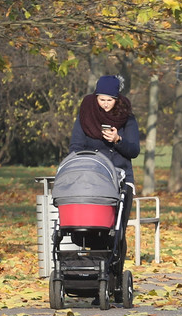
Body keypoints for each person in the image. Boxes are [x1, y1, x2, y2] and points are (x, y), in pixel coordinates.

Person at [69, 74, 141, 239]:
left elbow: (134, 150)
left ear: (117, 99)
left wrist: (118, 141)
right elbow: (75, 147)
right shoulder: (86, 116)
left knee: (117, 228)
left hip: (121, 178)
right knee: (92, 223)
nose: (106, 104)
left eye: (110, 100)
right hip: (91, 177)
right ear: (96, 97)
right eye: (102, 100)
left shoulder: (127, 117)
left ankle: (115, 261)